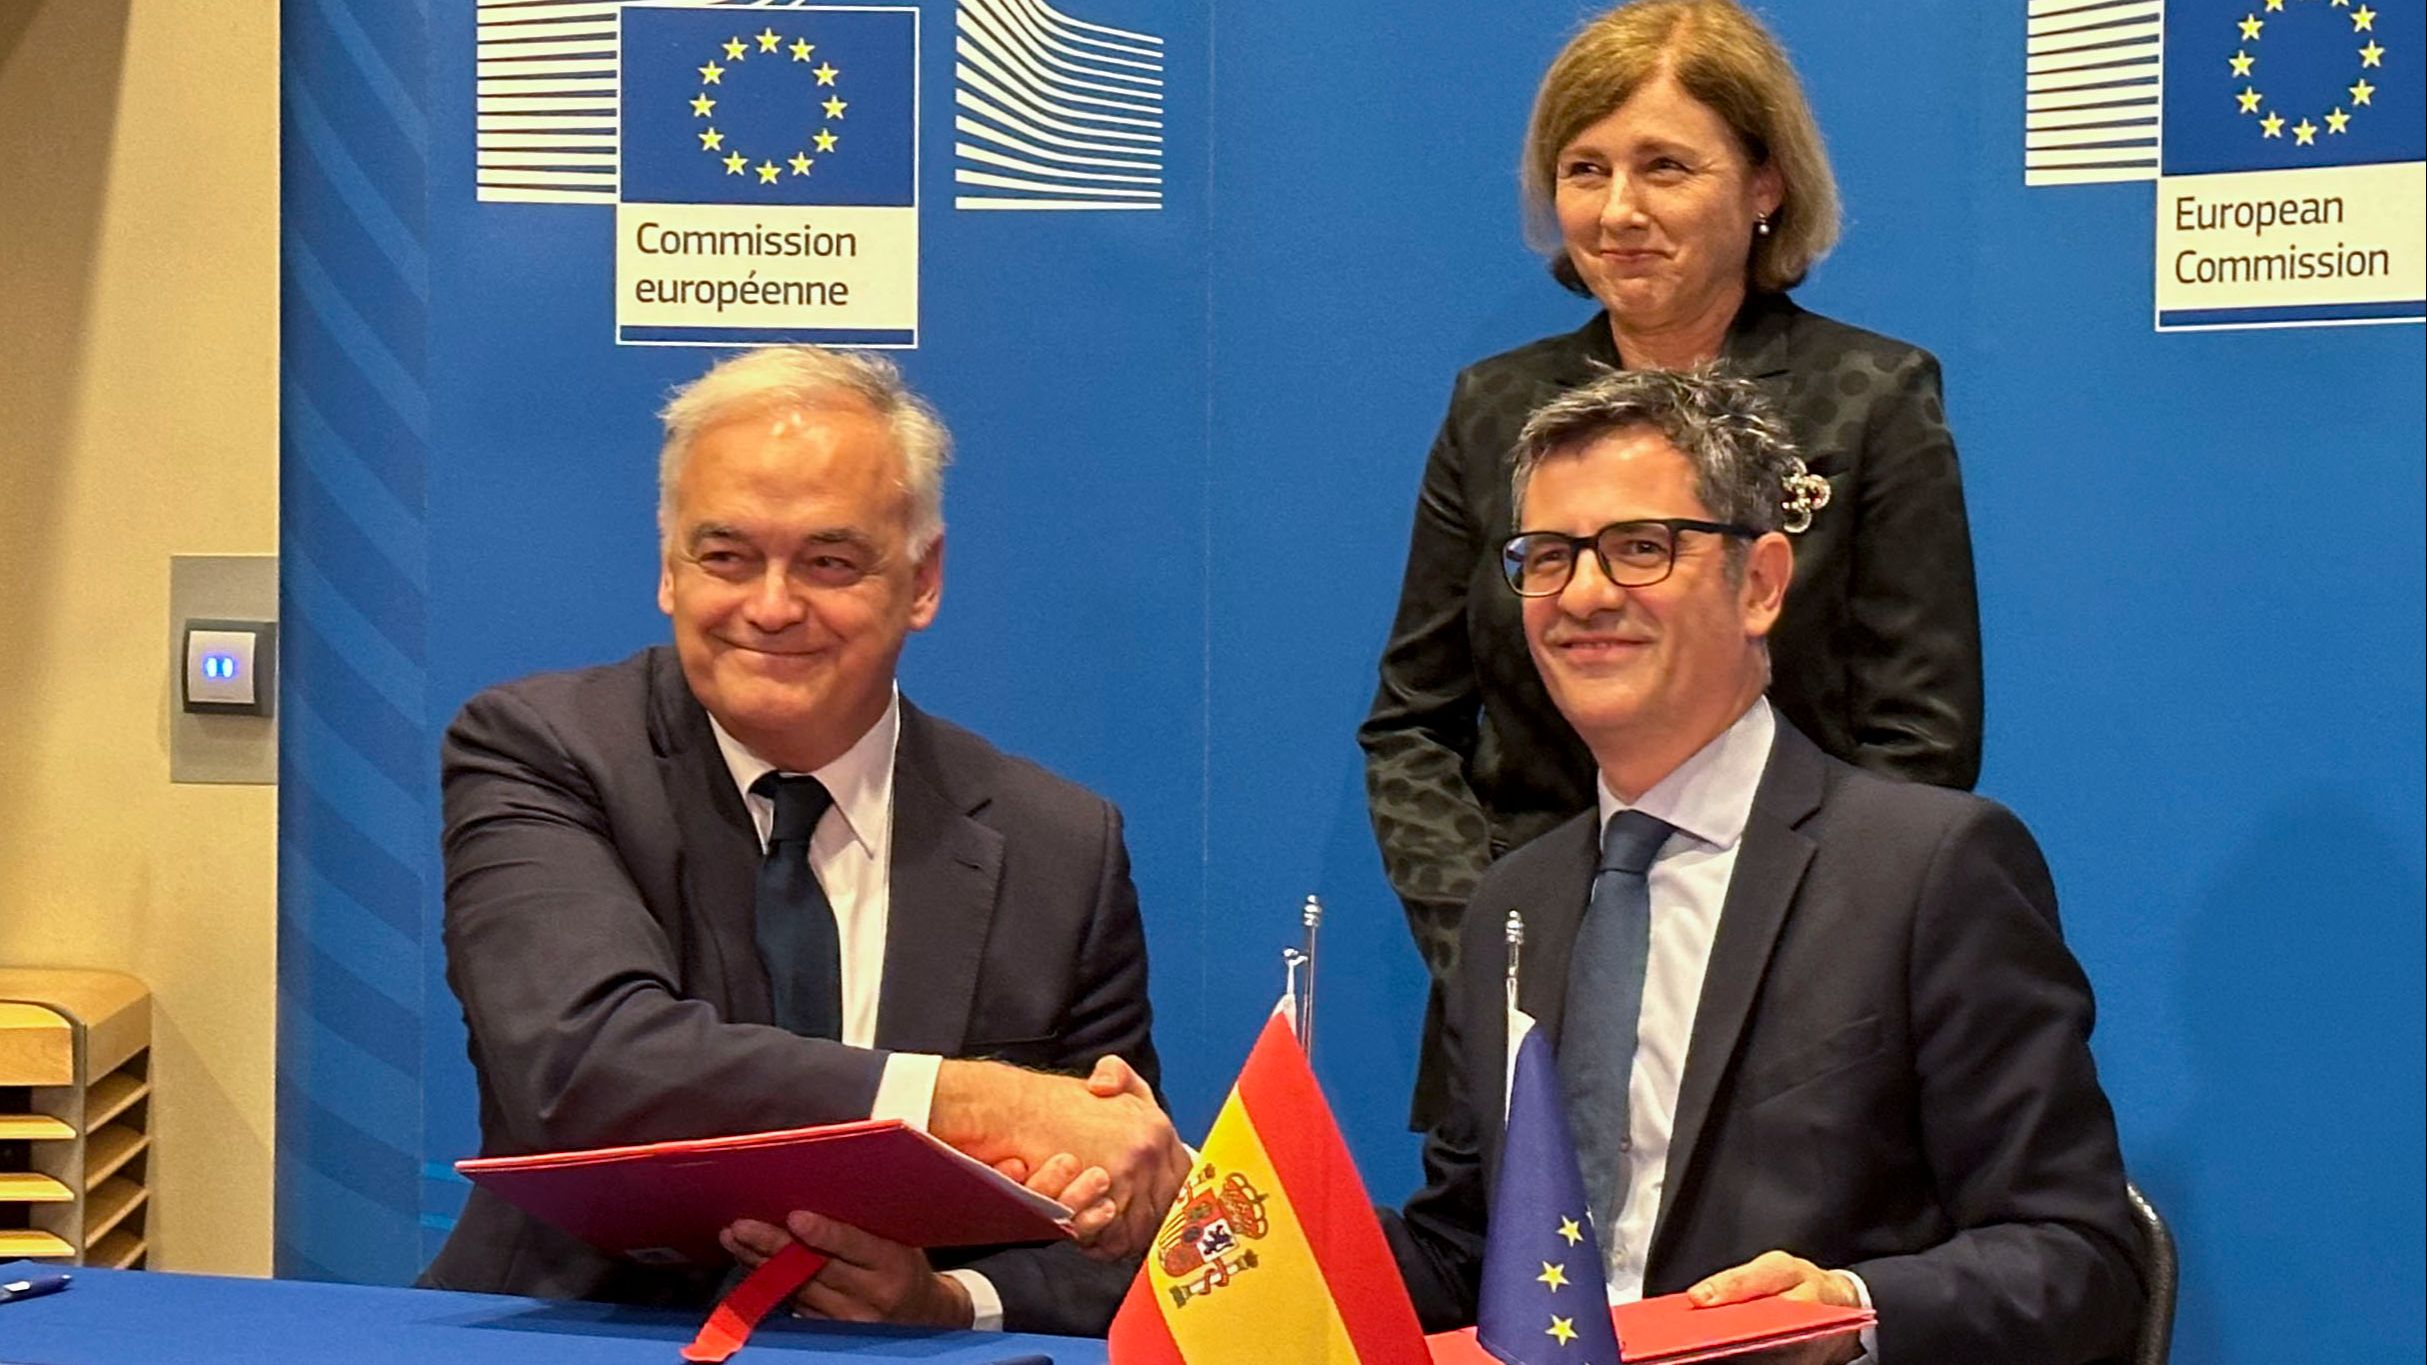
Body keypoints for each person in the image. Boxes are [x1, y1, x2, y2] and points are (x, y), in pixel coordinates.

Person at [419, 346, 1189, 1336]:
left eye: (829, 562)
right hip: (580, 1330)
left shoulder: (1059, 846)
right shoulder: (541, 751)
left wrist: (946, 1301)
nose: (773, 607)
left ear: (922, 578)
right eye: (726, 556)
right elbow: (584, 1068)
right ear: (668, 568)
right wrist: (976, 1103)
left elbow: (1117, 1217)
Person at [1384, 368, 2140, 1363]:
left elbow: (2081, 1258)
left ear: (1761, 584)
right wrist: (1214, 1214)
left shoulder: (1926, 872)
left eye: (1640, 548)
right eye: (1550, 557)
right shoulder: (1513, 902)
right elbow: (1466, 1257)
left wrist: (1849, 1310)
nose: (1585, 595)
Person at [1360, 0, 1984, 1130]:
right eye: (1584, 170)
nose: (1618, 211)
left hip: (1790, 1021)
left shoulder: (1870, 400)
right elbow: (1413, 727)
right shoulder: (1493, 406)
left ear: (1763, 185)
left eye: (1664, 167)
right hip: (1529, 1015)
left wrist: (1782, 965)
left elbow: (1921, 742)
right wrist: (1503, 951)